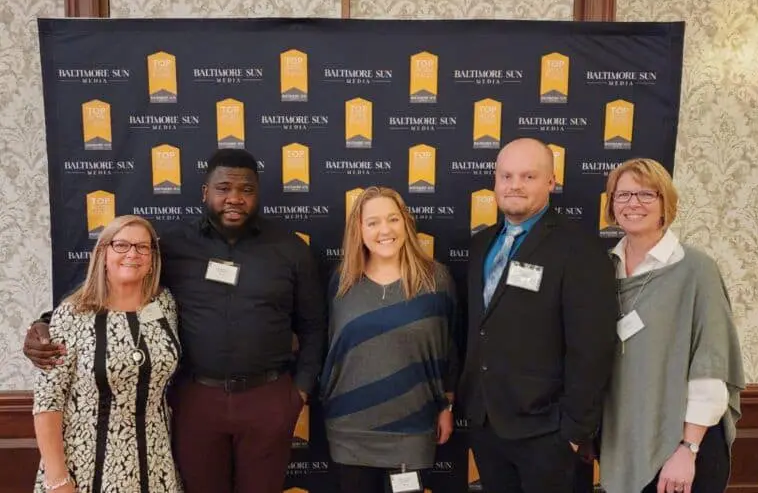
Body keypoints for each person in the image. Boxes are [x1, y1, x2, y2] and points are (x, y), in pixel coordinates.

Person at [24, 149, 327, 493]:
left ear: (257, 193)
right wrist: (46, 322)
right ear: (205, 192)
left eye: (246, 190)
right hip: (197, 401)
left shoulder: (291, 250)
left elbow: (314, 326)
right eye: (223, 188)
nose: (234, 198)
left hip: (267, 399)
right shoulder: (171, 247)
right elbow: (112, 290)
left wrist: (298, 393)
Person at [457, 137, 617, 493]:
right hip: (487, 425)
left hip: (547, 434)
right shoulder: (482, 245)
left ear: (551, 182)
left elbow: (592, 347)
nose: (514, 185)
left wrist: (574, 432)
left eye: (528, 176)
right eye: (506, 176)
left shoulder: (580, 249)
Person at [599, 158, 745, 493]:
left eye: (646, 194)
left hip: (682, 451)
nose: (633, 203)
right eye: (623, 195)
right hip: (623, 443)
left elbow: (711, 366)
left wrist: (687, 449)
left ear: (666, 202)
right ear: (612, 205)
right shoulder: (603, 269)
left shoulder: (696, 270)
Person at [319, 186, 459, 493]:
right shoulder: (341, 281)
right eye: (373, 222)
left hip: (414, 428)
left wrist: (446, 406)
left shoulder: (436, 279)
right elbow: (325, 344)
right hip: (350, 429)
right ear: (359, 230)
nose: (385, 230)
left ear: (406, 223)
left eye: (393, 219)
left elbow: (449, 346)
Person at [32, 215, 181, 493]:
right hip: (85, 465)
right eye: (121, 245)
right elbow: (48, 402)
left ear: (152, 260)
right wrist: (57, 479)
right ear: (102, 254)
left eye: (142, 247)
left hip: (155, 463)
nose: (132, 254)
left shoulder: (165, 306)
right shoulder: (72, 314)